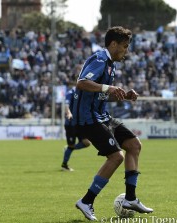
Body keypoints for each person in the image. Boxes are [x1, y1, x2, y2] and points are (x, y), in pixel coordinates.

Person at [71, 26, 153, 221]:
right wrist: (110, 87)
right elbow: (81, 83)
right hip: (87, 118)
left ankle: (130, 199)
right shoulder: (99, 59)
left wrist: (122, 96)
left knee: (134, 145)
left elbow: (100, 95)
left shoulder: (111, 64)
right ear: (113, 44)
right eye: (124, 47)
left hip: (101, 115)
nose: (126, 51)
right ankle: (87, 201)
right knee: (116, 157)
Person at [61, 84, 91, 171]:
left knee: (87, 143)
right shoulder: (71, 92)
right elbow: (66, 105)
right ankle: (64, 165)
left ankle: (69, 149)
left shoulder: (85, 92)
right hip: (70, 124)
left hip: (80, 123)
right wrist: (69, 113)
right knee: (71, 144)